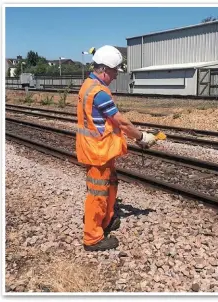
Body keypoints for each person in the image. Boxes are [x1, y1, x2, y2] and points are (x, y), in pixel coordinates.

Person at [76, 45, 156, 251]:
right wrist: (142, 137)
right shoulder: (99, 93)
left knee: (111, 183)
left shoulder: (89, 84)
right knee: (97, 193)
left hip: (102, 149)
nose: (115, 75)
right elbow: (121, 122)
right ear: (104, 69)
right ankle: (92, 238)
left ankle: (107, 220)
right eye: (113, 72)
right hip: (98, 152)